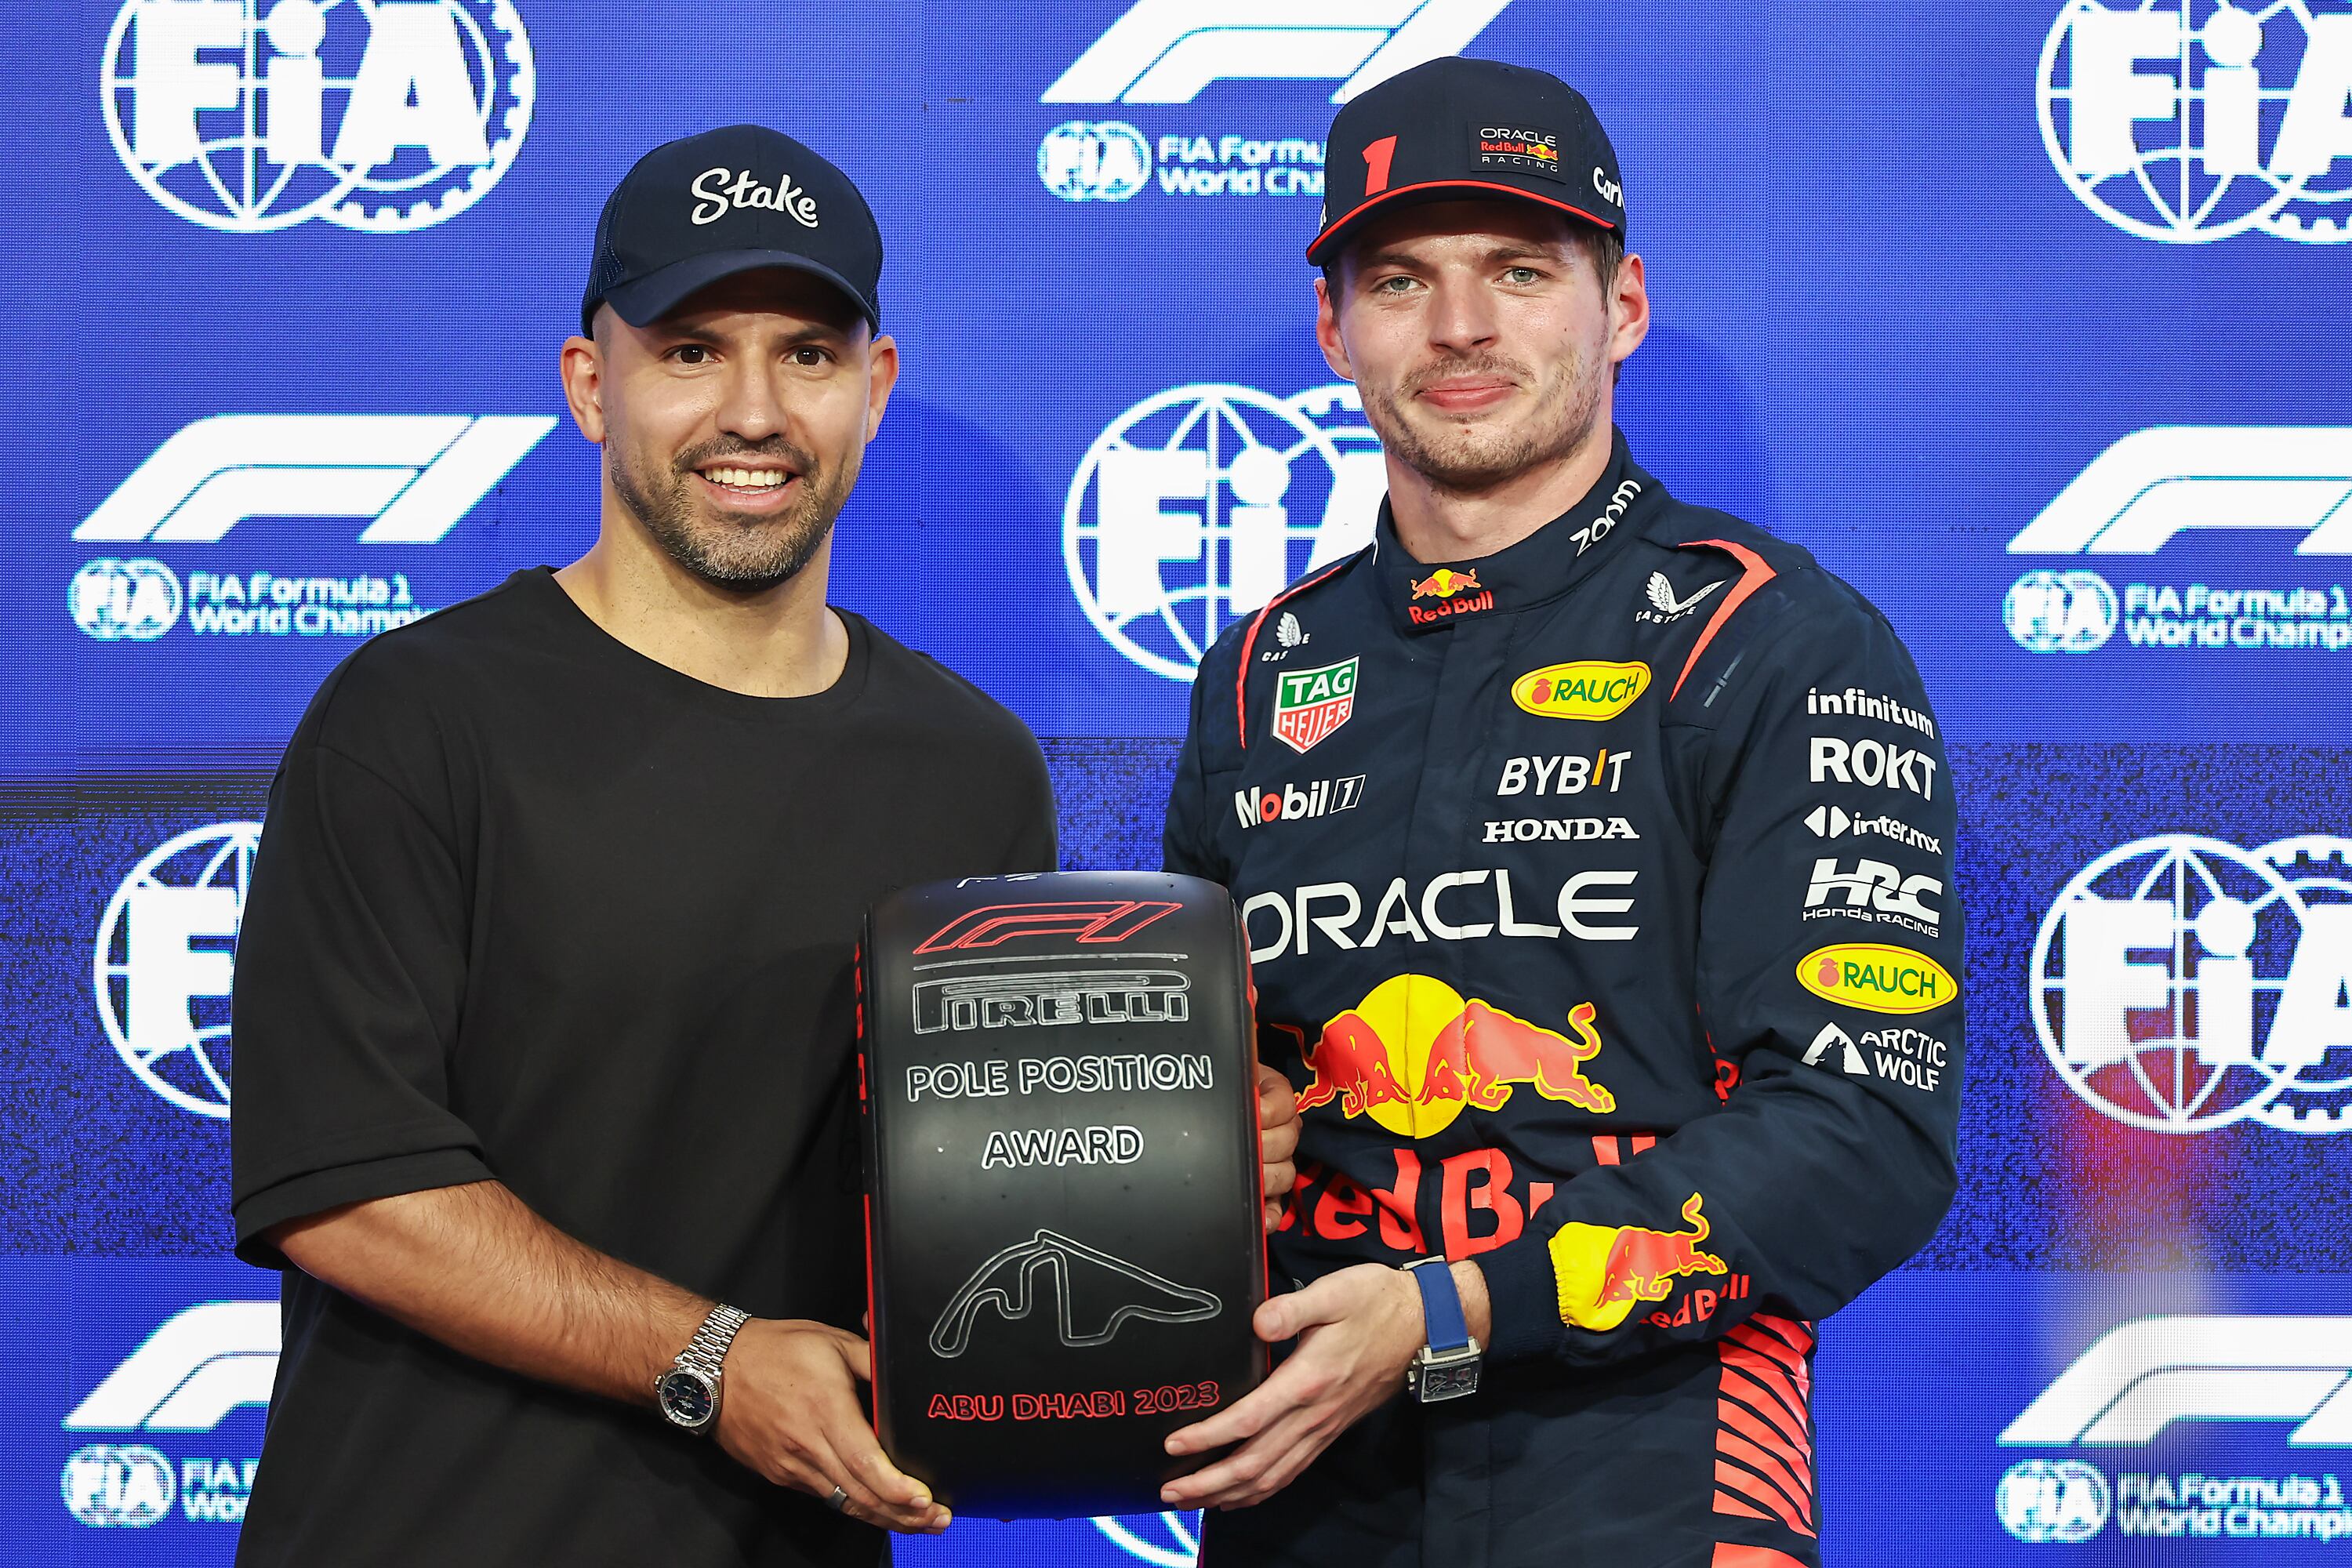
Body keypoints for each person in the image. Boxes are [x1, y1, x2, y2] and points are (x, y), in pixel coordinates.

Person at [227, 123, 1301, 1568]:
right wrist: (713, 1359)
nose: (754, 410)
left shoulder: (969, 766)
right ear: (588, 386)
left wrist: (1182, 1163)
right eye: (689, 351)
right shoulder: (417, 718)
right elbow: (347, 1191)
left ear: (876, 388)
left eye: (805, 352)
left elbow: (977, 1191)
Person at [1159, 58, 1963, 1568]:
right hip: (1304, 1477)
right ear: (1335, 327)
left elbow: (1862, 1132)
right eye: (1401, 279)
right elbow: (1220, 1086)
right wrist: (1211, 1140)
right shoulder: (1263, 671)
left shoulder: (1774, 642)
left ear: (1623, 304)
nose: (1460, 327)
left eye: (1520, 271)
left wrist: (1456, 1309)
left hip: (1652, 1475)